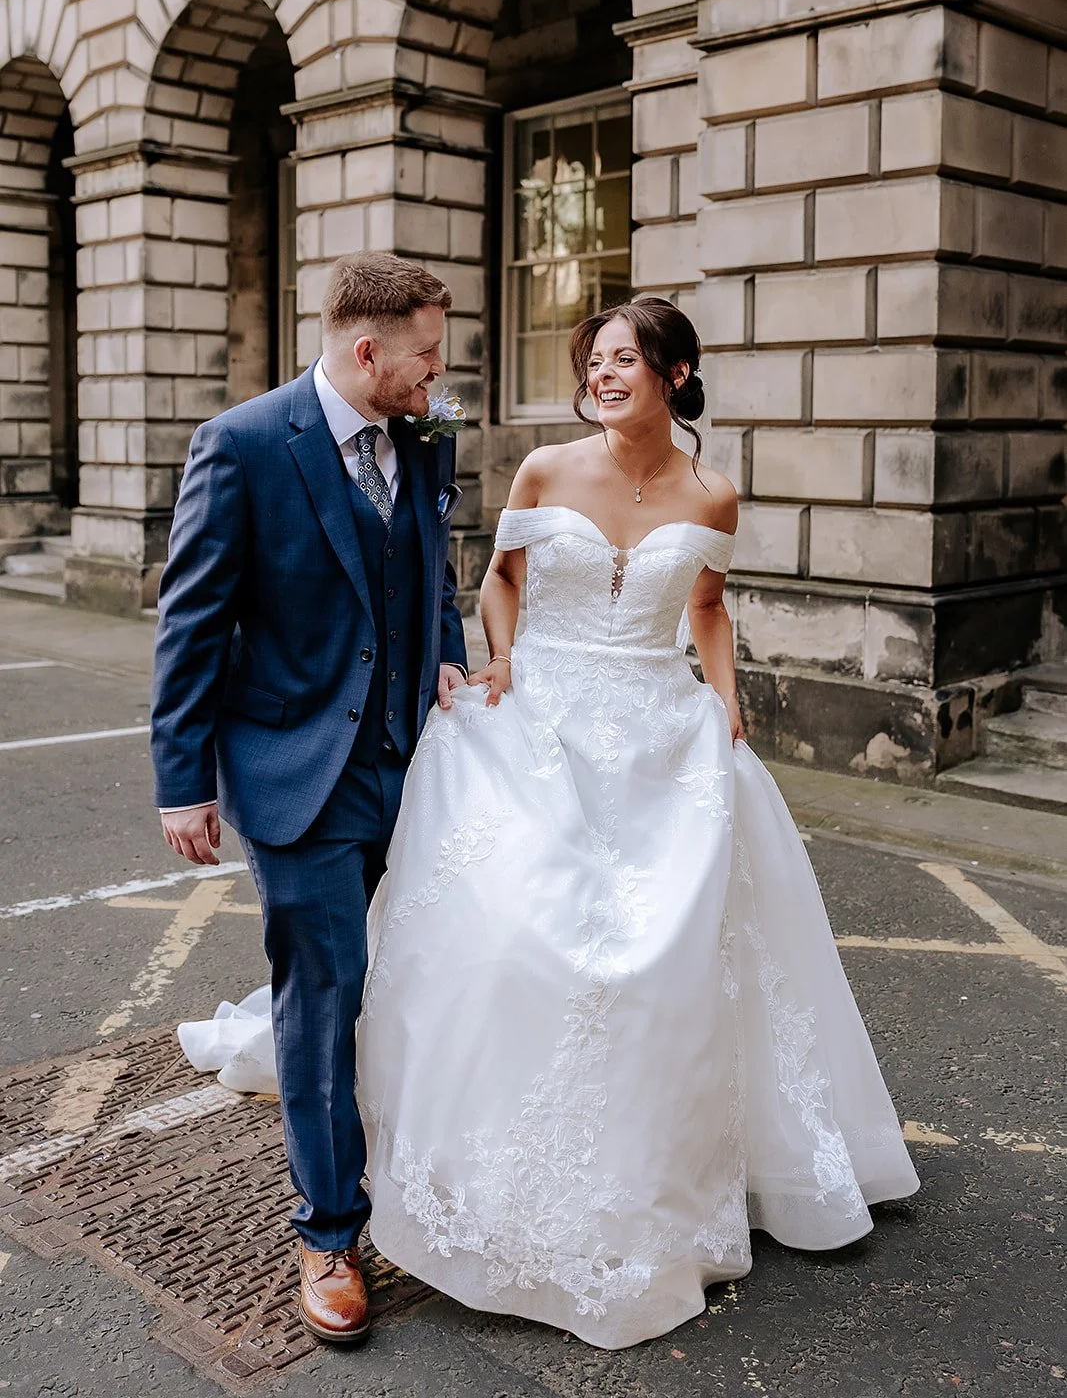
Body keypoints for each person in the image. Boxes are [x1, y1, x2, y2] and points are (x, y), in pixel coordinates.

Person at [180, 296, 919, 1351]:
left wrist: (727, 695)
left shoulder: (713, 490)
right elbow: (497, 582)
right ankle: (401, 1190)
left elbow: (704, 605)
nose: (603, 374)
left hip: (663, 733)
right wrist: (501, 663)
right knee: (531, 941)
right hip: (540, 722)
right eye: (593, 360)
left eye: (623, 358)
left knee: (670, 961)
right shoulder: (542, 471)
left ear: (673, 372)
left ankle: (663, 1160)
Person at [151, 251, 468, 1346]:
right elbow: (191, 621)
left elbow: (430, 566)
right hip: (297, 773)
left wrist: (445, 658)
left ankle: (421, 1170)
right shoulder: (240, 446)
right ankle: (329, 1230)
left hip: (414, 760)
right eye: (425, 354)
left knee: (428, 976)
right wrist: (181, 778)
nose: (438, 374)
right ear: (364, 349)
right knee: (324, 993)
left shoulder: (426, 433)